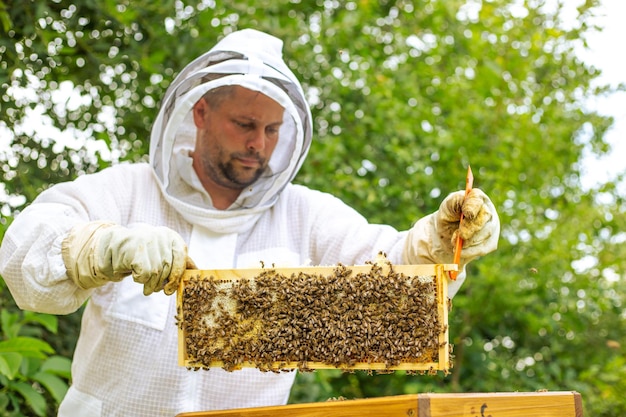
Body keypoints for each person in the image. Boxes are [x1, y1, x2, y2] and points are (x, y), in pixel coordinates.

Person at [0, 29, 500, 416]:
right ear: (199, 113)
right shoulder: (127, 191)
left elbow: (393, 285)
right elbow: (27, 249)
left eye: (271, 129)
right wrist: (97, 247)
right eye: (244, 124)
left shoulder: (305, 214)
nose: (258, 143)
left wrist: (438, 239)